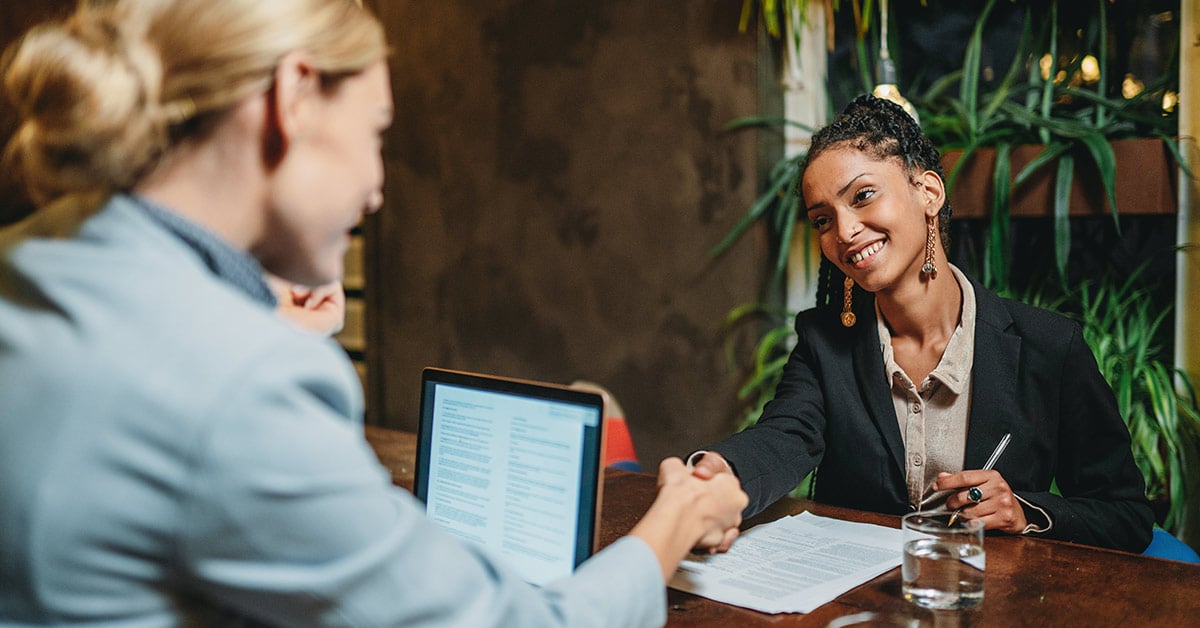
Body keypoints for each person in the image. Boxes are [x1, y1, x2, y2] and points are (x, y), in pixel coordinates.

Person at [0, 1, 747, 625]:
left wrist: (254, 321)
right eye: (376, 132)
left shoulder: (29, 258)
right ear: (293, 96)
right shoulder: (248, 383)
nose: (377, 186)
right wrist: (674, 521)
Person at [691, 94, 1154, 553]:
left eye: (863, 196)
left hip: (986, 593)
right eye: (823, 220)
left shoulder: (1049, 346)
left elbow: (1124, 514)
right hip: (858, 593)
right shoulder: (824, 342)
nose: (844, 232)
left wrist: (1024, 511)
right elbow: (784, 437)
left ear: (928, 192)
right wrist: (721, 474)